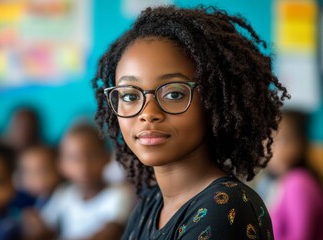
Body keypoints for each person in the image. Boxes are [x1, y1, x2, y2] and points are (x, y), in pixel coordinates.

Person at [92, 5, 289, 240]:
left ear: (213, 101)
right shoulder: (152, 202)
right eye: (130, 96)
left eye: (174, 94)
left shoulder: (224, 208)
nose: (148, 113)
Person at [39, 122, 134, 239]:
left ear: (106, 157)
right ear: (61, 164)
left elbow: (108, 234)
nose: (84, 166)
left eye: (92, 156)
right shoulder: (64, 194)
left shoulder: (118, 195)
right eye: (74, 158)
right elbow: (44, 228)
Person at [267, 110, 323, 240]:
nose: (271, 147)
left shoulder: (298, 182)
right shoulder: (279, 181)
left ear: (300, 143)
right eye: (269, 139)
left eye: (281, 140)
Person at [17, 144, 61, 209]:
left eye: (42, 172)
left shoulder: (64, 198)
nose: (35, 179)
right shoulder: (20, 199)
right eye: (28, 173)